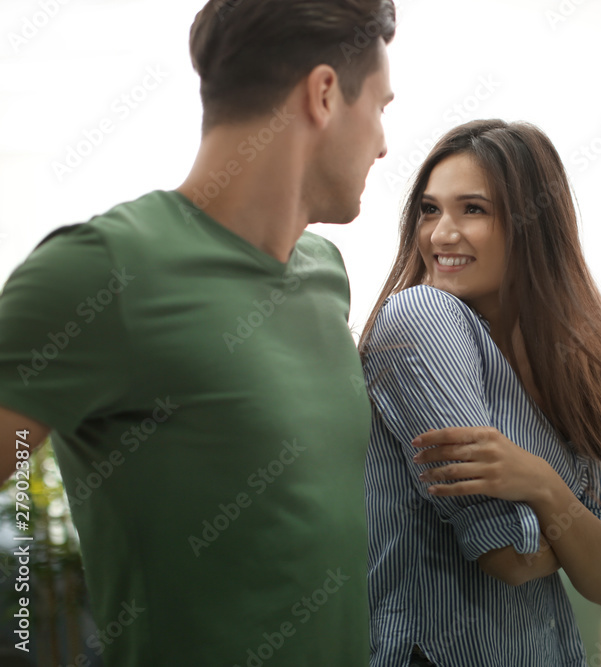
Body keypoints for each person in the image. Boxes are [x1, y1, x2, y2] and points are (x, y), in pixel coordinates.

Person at [0, 0, 396, 664]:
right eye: (382, 106)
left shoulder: (325, 275)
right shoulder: (104, 270)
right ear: (324, 93)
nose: (385, 141)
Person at [359, 119, 601, 666]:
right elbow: (507, 553)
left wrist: (543, 485)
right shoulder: (423, 317)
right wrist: (579, 533)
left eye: (473, 210)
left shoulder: (574, 373)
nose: (440, 234)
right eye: (430, 210)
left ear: (532, 226)